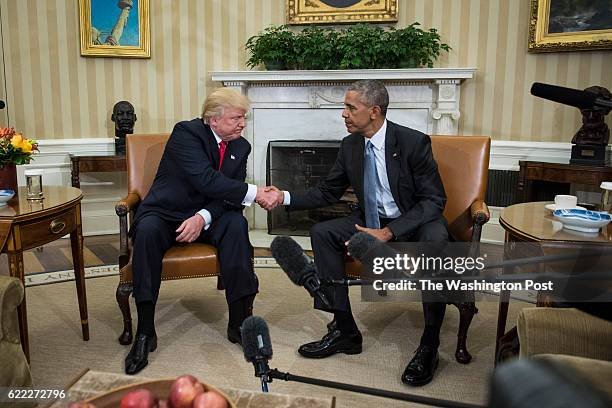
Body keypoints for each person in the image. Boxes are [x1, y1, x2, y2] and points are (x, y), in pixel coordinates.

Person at [265, 80, 449, 386]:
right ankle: (345, 330)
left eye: (351, 107)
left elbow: (434, 201)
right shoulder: (350, 145)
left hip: (413, 221)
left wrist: (389, 232)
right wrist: (284, 197)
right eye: (345, 107)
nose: (343, 114)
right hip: (370, 220)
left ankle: (430, 344)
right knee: (322, 232)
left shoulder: (413, 142)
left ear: (374, 111)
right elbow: (327, 191)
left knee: (435, 241)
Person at [124, 88, 278, 375]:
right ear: (213, 119)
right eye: (236, 118)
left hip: (208, 213)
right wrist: (257, 192)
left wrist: (202, 217)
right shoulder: (187, 133)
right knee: (146, 231)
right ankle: (145, 332)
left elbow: (228, 197)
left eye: (244, 117)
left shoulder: (240, 146)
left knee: (236, 224)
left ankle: (239, 321)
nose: (242, 123)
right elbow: (206, 180)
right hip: (166, 211)